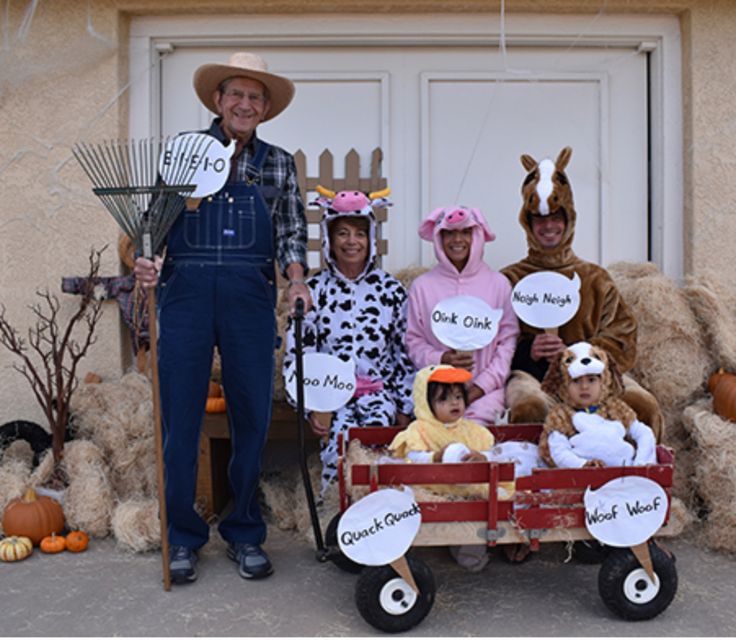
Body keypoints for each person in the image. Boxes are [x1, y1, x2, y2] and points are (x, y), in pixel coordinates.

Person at [133, 52, 311, 584]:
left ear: (265, 109)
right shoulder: (185, 155)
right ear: (218, 100)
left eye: (256, 97)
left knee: (251, 421)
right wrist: (146, 258)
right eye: (237, 94)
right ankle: (183, 536)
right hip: (185, 297)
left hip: (249, 300)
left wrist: (297, 278)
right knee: (181, 422)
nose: (245, 104)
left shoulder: (278, 163)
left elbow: (292, 233)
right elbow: (152, 227)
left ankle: (244, 531)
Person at [500, 147, 664, 440]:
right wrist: (528, 352)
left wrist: (580, 353)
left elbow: (623, 335)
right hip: (533, 377)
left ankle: (636, 480)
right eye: (539, 220)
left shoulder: (595, 279)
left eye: (556, 218)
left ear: (569, 219)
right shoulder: (509, 280)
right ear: (528, 223)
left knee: (641, 405)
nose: (548, 227)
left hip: (596, 377)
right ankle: (535, 484)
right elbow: (494, 343)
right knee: (528, 407)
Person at [282, 186, 414, 495]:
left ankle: (380, 521)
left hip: (378, 394)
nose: (351, 242)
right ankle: (339, 521)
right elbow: (299, 354)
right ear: (329, 239)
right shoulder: (313, 290)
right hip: (331, 397)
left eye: (359, 233)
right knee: (339, 453)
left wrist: (405, 404)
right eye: (342, 233)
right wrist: (310, 405)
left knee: (379, 451)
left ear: (371, 239)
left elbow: (403, 352)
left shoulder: (390, 290)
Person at [389, 364, 541, 569]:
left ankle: (479, 545)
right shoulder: (420, 430)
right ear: (426, 403)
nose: (454, 403)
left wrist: (481, 457)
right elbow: (413, 458)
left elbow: (487, 450)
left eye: (458, 397)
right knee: (465, 513)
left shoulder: (471, 430)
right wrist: (436, 457)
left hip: (472, 490)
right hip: (438, 488)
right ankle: (465, 547)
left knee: (484, 505)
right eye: (444, 399)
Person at [405, 205, 519, 425]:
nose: (457, 239)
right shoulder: (422, 287)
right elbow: (413, 341)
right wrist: (441, 359)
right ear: (438, 238)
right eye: (449, 233)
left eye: (465, 231)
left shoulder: (498, 285)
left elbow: (507, 343)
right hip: (435, 393)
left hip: (486, 395)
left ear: (477, 236)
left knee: (476, 439)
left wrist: (480, 387)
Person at [538, 342, 657, 468]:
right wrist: (583, 465)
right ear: (564, 385)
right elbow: (559, 451)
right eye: (576, 381)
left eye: (591, 380)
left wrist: (640, 463)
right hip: (583, 477)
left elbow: (643, 433)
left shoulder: (615, 408)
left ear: (603, 381)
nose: (584, 387)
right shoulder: (562, 416)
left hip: (625, 473)